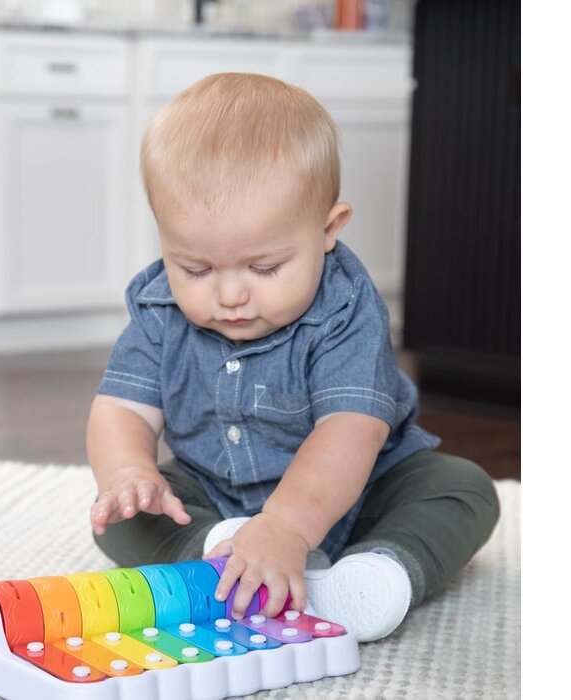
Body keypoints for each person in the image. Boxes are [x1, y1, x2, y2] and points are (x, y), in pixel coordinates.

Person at [86, 73, 500, 642]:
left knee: (464, 488)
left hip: (367, 487)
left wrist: (286, 525)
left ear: (328, 230)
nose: (230, 295)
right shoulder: (159, 307)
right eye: (196, 268)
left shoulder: (345, 308)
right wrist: (129, 471)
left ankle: (379, 572)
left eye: (264, 268)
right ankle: (223, 551)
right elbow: (122, 408)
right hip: (217, 490)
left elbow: (349, 431)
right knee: (119, 517)